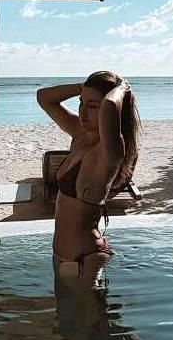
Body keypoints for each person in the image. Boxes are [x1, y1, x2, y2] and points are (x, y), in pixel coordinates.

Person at [37, 71, 141, 283]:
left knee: (81, 307)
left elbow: (110, 106)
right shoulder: (80, 135)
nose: (83, 112)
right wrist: (81, 88)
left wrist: (122, 87)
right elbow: (44, 97)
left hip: (84, 260)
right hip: (66, 257)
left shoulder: (110, 150)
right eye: (81, 103)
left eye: (93, 106)